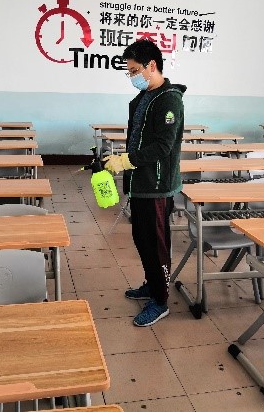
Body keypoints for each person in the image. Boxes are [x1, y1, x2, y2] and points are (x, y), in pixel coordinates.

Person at [103, 39, 186, 326]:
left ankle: (160, 301)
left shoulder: (169, 100)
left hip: (157, 186)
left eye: (135, 70)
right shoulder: (142, 98)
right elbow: (138, 139)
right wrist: (125, 160)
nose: (132, 76)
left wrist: (127, 161)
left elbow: (163, 146)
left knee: (157, 244)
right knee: (142, 239)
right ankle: (152, 285)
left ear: (152, 66)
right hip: (140, 182)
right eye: (129, 72)